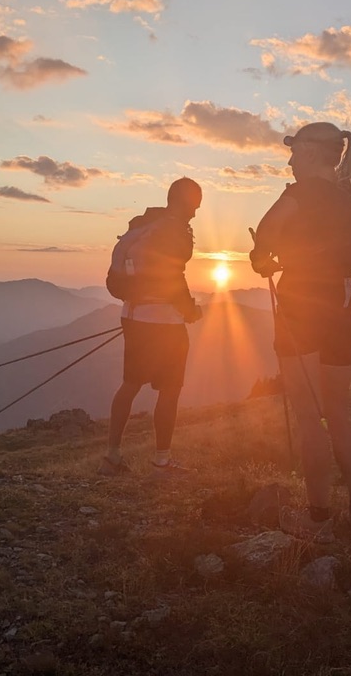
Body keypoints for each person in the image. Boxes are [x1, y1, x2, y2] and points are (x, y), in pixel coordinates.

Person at [249, 122, 351, 541]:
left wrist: (263, 258)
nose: (289, 160)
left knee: (309, 417)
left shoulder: (299, 194)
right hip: (342, 305)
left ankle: (319, 519)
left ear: (311, 153)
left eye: (294, 152)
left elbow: (265, 235)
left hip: (301, 306)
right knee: (338, 414)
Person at [99, 177, 204, 478]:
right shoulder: (173, 230)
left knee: (130, 384)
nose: (195, 213)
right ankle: (161, 462)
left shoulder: (145, 226)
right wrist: (190, 310)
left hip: (133, 315)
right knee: (170, 391)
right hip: (165, 322)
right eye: (194, 206)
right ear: (183, 202)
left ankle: (112, 457)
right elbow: (172, 277)